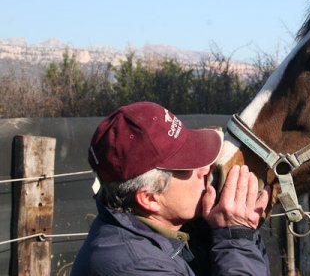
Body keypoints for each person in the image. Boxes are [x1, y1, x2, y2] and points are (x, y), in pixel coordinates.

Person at [71, 101, 270, 275]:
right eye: (188, 167)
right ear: (150, 197)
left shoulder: (175, 231)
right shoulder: (133, 266)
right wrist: (236, 238)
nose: (205, 169)